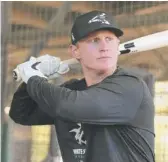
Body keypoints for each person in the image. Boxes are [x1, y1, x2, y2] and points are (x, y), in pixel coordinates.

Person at [9, 10, 155, 162]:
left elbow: (69, 105)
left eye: (109, 39)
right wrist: (32, 79)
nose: (104, 46)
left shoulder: (130, 87)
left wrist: (34, 78)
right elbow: (22, 113)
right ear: (75, 51)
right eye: (94, 40)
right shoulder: (71, 92)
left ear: (117, 45)